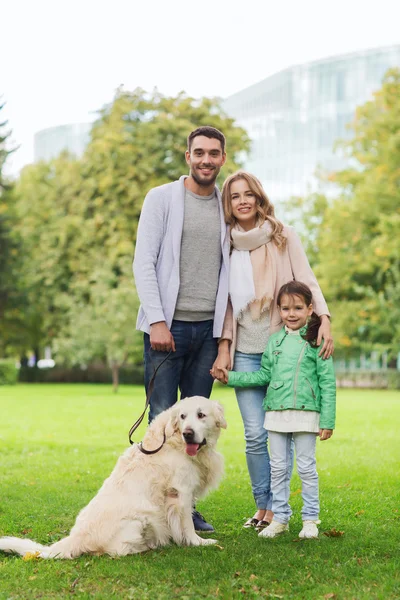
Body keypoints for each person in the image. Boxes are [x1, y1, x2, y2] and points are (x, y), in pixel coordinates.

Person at [211, 171, 333, 530]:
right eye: (235, 197)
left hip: (283, 349)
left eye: (249, 194)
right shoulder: (228, 243)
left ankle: (282, 510)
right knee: (254, 433)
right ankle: (263, 507)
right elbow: (226, 303)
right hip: (246, 351)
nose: (243, 201)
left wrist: (324, 316)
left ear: (259, 197)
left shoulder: (283, 236)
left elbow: (307, 279)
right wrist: (224, 346)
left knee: (285, 432)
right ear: (229, 205)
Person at [133, 126, 231, 532]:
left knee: (195, 427)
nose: (206, 159)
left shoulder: (228, 204)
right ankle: (152, 504)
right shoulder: (162, 198)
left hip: (208, 331)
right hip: (166, 328)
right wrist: (157, 319)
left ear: (223, 158)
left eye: (214, 153)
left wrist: (225, 337)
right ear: (187, 156)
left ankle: (186, 508)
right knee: (162, 420)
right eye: (199, 152)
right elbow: (144, 262)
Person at [216, 281, 336, 539]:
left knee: (306, 467)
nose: (291, 314)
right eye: (285, 308)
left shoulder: (317, 341)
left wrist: (327, 420)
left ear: (310, 308)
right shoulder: (274, 342)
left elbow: (327, 382)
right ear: (279, 311)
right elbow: (263, 375)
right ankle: (280, 518)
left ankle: (310, 519)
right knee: (279, 468)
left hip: (306, 414)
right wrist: (232, 378)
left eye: (298, 308)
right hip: (276, 415)